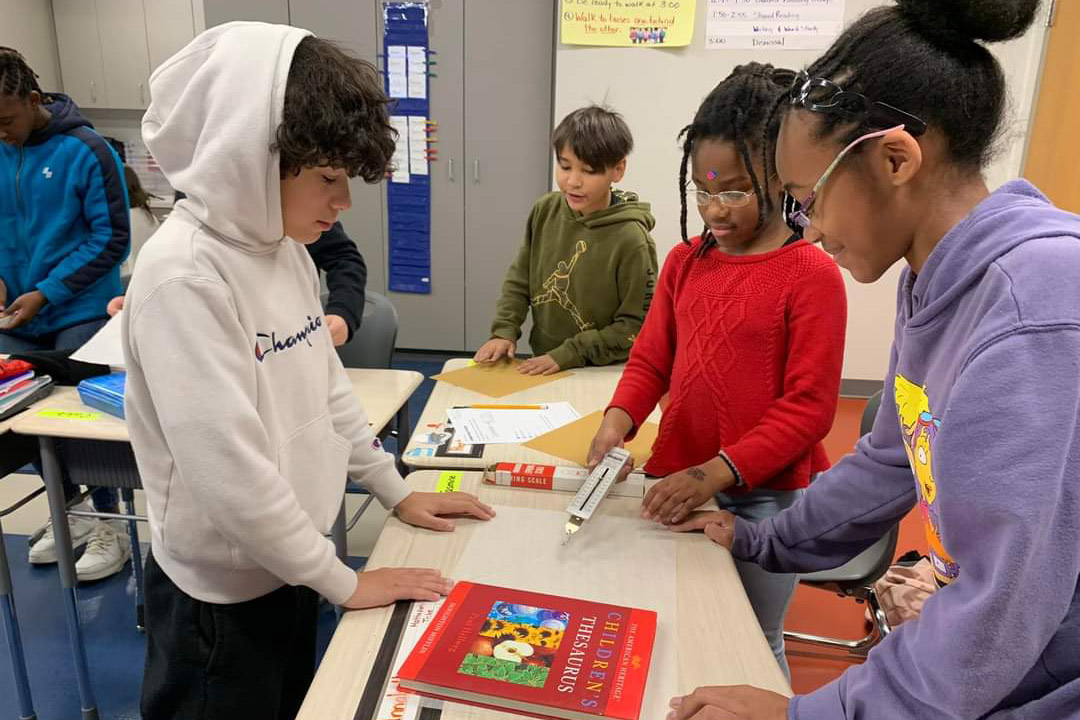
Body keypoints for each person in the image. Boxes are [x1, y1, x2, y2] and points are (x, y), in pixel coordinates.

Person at [666, 1, 1080, 718]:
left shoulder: (1032, 313)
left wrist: (806, 713)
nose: (809, 230)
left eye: (807, 200)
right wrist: (762, 539)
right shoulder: (935, 278)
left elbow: (998, 611)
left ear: (895, 160)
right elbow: (891, 459)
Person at [122, 23, 494, 719]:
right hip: (220, 600)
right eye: (328, 178)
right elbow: (229, 474)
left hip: (289, 564)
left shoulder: (285, 252)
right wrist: (342, 582)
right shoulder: (185, 276)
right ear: (250, 156)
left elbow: (329, 393)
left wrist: (395, 490)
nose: (343, 201)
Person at [587, 63, 846, 679]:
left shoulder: (811, 274)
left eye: (734, 191)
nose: (713, 209)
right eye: (702, 191)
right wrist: (616, 421)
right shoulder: (685, 262)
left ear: (779, 174)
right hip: (678, 477)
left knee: (751, 640)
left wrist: (717, 472)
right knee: (672, 621)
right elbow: (652, 359)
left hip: (764, 498)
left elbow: (809, 410)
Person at [0, 46, 131, 577]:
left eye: (6, 120)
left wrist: (47, 291)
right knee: (21, 415)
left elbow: (112, 238)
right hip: (18, 315)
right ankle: (69, 510)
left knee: (82, 416)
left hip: (79, 307)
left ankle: (109, 522)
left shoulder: (87, 150)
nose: (1, 133)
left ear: (34, 100)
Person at [473, 105, 658, 376]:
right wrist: (504, 330)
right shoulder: (545, 210)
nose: (573, 181)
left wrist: (571, 353)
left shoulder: (632, 239)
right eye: (565, 166)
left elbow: (635, 325)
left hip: (603, 370)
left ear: (618, 170)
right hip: (545, 361)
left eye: (589, 171)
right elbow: (520, 279)